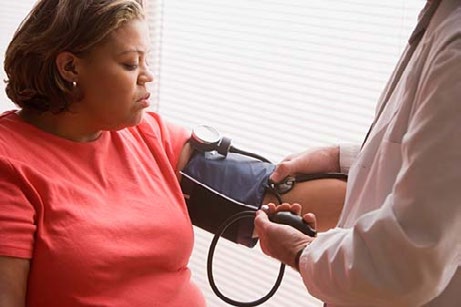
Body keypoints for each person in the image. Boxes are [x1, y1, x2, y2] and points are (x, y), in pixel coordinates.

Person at [0, 0, 347, 306]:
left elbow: (266, 196)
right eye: (130, 64)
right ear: (70, 68)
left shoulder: (149, 135)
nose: (147, 76)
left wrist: (390, 198)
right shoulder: (9, 163)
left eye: (145, 60)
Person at [254, 0, 461, 306]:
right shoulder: (439, 16)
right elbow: (431, 149)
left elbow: (406, 261)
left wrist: (300, 250)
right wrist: (341, 158)